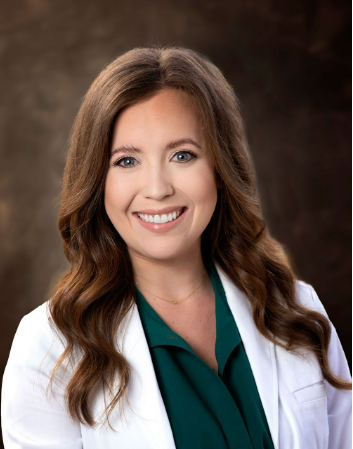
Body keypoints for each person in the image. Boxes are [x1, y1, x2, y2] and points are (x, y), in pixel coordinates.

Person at [1, 45, 351, 449]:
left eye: (183, 155)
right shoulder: (49, 350)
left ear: (220, 169)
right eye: (126, 161)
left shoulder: (297, 309)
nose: (157, 189)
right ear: (98, 181)